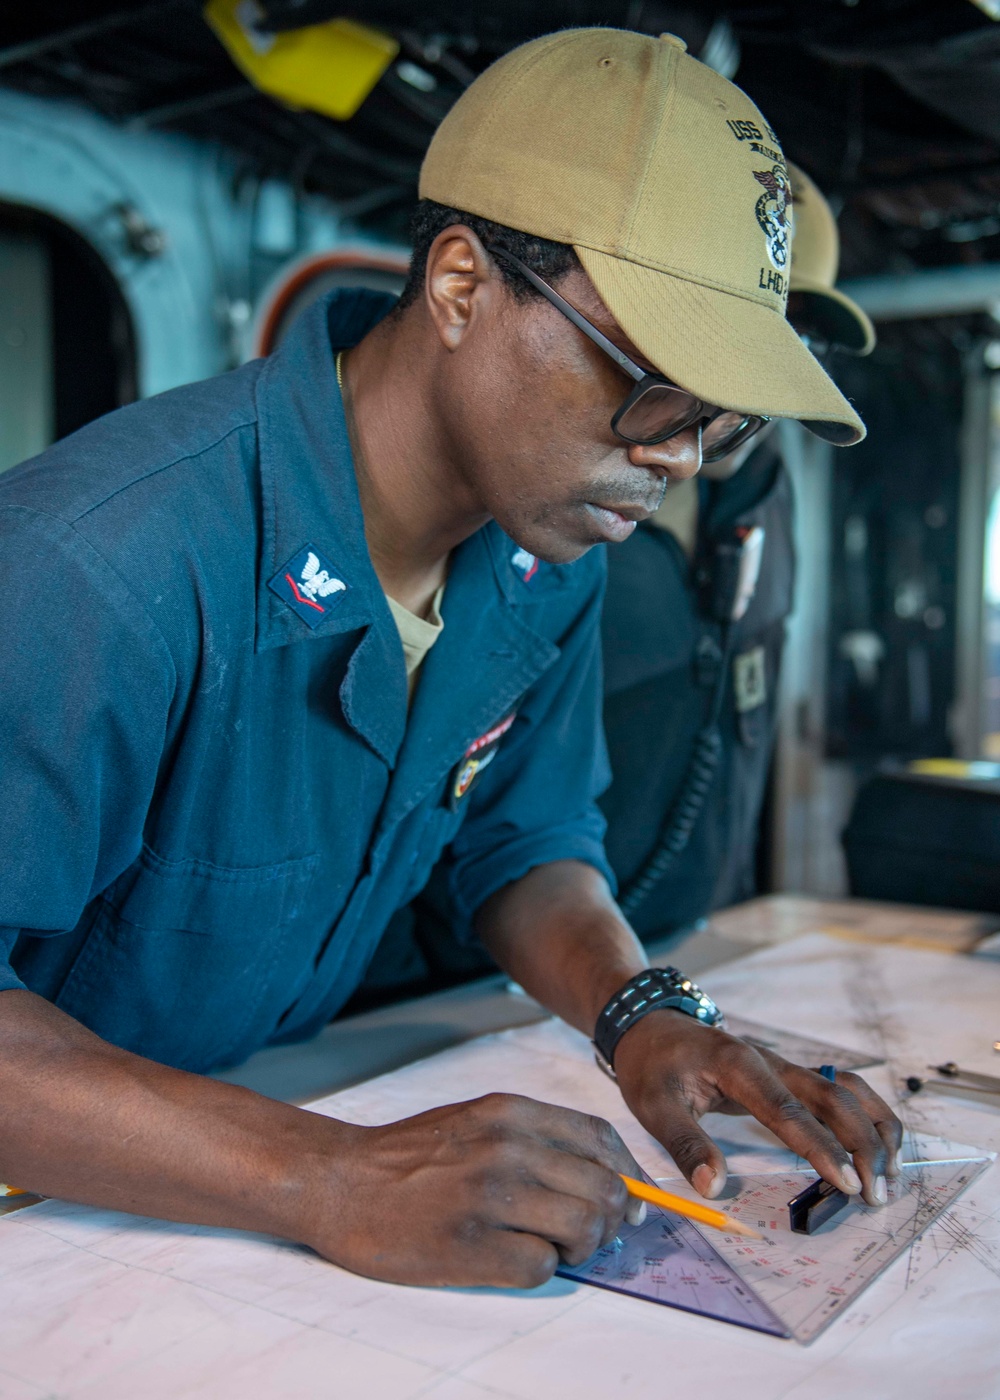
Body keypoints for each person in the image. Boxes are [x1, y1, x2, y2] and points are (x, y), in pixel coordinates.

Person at [0, 29, 899, 1290]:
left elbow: (523, 843)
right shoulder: (96, 564)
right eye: (656, 385)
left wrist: (636, 1011)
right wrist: (326, 1175)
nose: (684, 456)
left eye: (721, 418)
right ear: (465, 286)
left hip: (236, 1137)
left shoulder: (546, 558)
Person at [600, 163, 876, 939]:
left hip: (707, 925)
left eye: (804, 338)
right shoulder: (563, 494)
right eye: (765, 326)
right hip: (508, 965)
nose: (776, 367)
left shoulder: (768, 489)